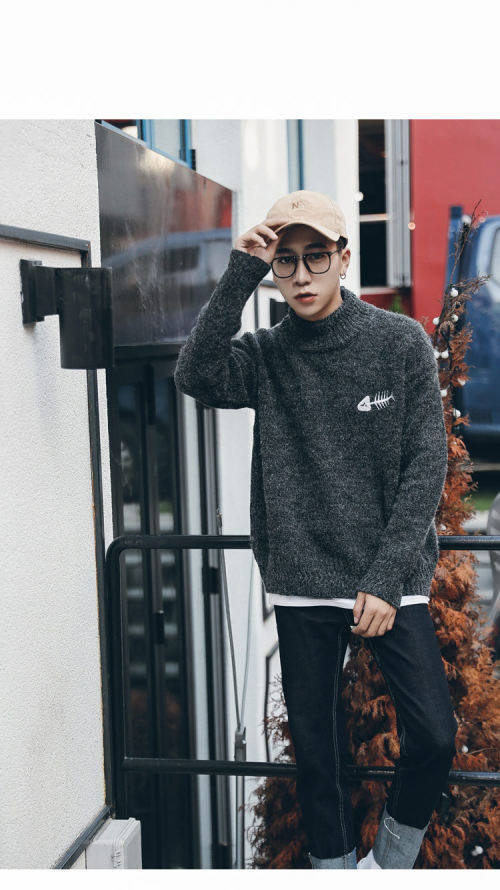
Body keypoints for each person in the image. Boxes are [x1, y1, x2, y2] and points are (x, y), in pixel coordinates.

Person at [174, 189, 458, 869]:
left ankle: (387, 868)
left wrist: (385, 580)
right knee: (316, 754)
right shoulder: (266, 354)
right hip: (302, 577)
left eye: (316, 257)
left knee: (433, 734)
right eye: (286, 262)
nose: (301, 276)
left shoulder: (398, 342)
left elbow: (427, 463)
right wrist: (242, 271)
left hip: (389, 579)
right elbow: (195, 373)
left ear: (344, 258)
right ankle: (333, 873)